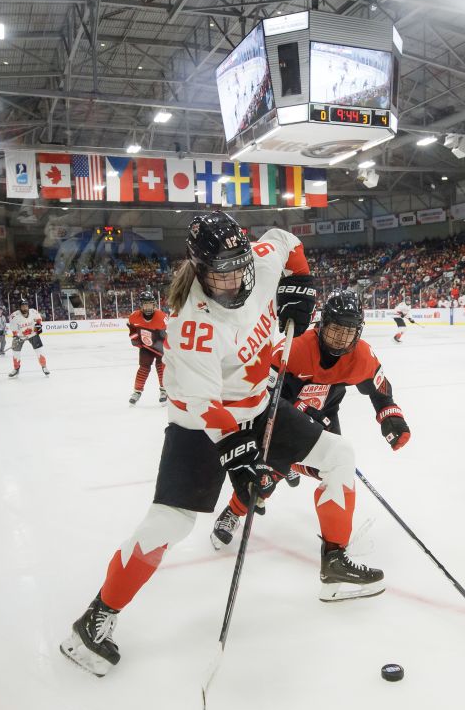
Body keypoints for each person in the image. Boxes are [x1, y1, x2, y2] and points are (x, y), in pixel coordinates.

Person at [60, 211, 378, 678]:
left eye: (237, 267)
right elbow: (204, 408)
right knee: (171, 522)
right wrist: (241, 458)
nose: (231, 281)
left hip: (257, 403)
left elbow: (287, 241)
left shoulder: (260, 261)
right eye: (218, 273)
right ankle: (95, 620)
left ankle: (334, 564)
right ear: (199, 269)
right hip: (198, 421)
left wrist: (302, 288)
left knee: (339, 455)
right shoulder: (192, 326)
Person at [209, 290, 411, 553]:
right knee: (264, 478)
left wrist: (391, 416)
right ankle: (233, 511)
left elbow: (380, 388)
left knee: (337, 468)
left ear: (358, 333)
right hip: (282, 417)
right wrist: (299, 409)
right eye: (335, 329)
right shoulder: (294, 350)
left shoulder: (361, 356)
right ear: (322, 324)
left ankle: (333, 546)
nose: (340, 338)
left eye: (348, 332)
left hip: (325, 417)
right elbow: (263, 396)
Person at [126, 290, 168, 405]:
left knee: (162, 368)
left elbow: (169, 334)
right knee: (143, 368)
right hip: (146, 347)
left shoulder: (161, 317)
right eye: (145, 304)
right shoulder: (134, 317)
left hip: (160, 347)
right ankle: (137, 391)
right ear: (141, 305)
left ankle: (164, 390)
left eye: (150, 304)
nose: (148, 307)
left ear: (154, 304)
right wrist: (135, 339)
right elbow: (133, 331)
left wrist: (167, 347)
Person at [6, 297, 49, 377]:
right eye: (23, 306)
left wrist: (38, 328)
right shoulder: (14, 316)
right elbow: (14, 329)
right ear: (20, 307)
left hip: (33, 334)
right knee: (16, 352)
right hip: (20, 336)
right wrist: (16, 337)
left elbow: (39, 320)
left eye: (26, 305)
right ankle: (16, 369)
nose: (25, 307)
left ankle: (44, 366)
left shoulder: (33, 312)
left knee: (39, 351)